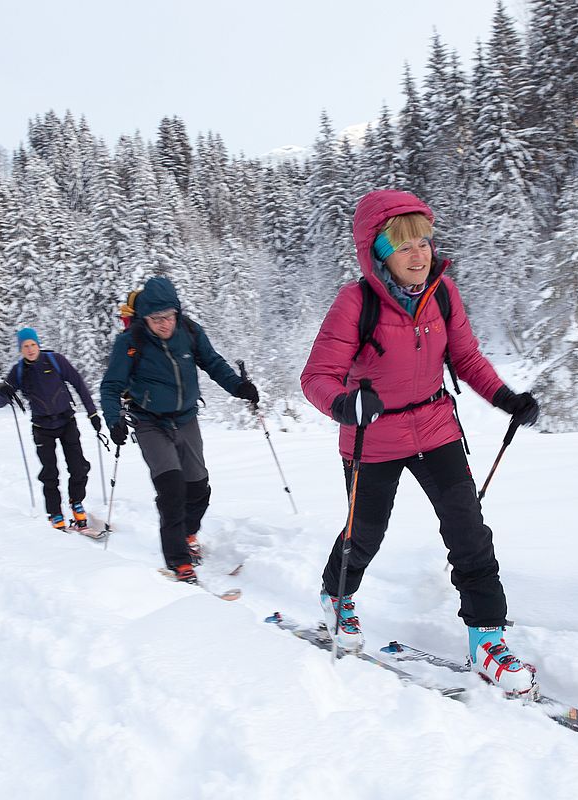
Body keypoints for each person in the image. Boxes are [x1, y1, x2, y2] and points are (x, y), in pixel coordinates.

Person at [300, 189, 541, 697]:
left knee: (469, 531)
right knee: (364, 534)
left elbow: (468, 359)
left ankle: (487, 641)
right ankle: (336, 596)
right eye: (403, 245)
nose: (419, 254)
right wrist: (345, 404)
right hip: (373, 436)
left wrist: (506, 398)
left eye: (424, 241)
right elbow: (318, 375)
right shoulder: (355, 303)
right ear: (378, 252)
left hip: (435, 427)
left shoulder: (443, 293)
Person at [99, 276, 258, 583]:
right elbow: (111, 386)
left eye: (169, 316)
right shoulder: (131, 342)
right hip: (150, 423)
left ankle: (187, 535)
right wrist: (114, 419)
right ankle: (179, 563)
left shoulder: (189, 331)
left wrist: (238, 386)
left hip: (186, 419)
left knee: (198, 488)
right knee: (171, 491)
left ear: (177, 312)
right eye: (157, 318)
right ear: (145, 317)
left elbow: (213, 363)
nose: (164, 324)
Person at [0, 327, 103, 532]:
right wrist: (4, 392)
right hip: (41, 427)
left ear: (38, 344)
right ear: (21, 349)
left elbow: (79, 384)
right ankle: (55, 513)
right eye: (25, 346)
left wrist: (93, 414)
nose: (30, 349)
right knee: (50, 472)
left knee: (78, 467)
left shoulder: (55, 360)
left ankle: (76, 502)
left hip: (66, 421)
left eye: (33, 344)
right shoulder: (18, 371)